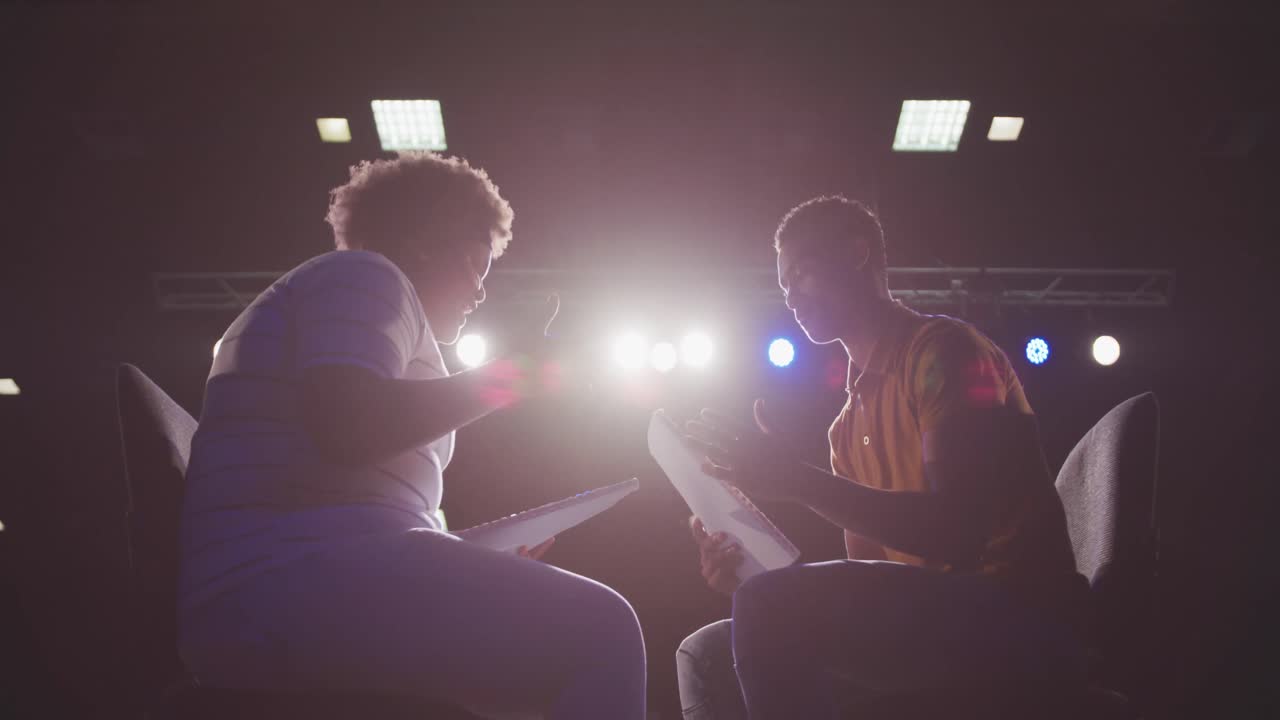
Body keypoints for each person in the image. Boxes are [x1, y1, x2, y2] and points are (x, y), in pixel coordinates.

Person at [177, 152, 646, 719]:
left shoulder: (348, 294)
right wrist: (517, 373)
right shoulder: (366, 275)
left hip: (283, 590)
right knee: (602, 627)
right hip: (292, 586)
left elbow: (347, 479)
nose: (479, 291)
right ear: (428, 240)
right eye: (476, 263)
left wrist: (474, 557)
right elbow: (350, 427)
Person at [674, 196, 1090, 719]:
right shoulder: (844, 430)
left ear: (856, 253)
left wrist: (796, 481)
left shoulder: (943, 352)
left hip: (1016, 612)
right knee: (706, 651)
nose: (792, 298)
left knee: (771, 607)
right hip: (933, 622)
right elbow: (867, 578)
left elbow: (956, 531)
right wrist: (746, 571)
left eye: (801, 273)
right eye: (783, 287)